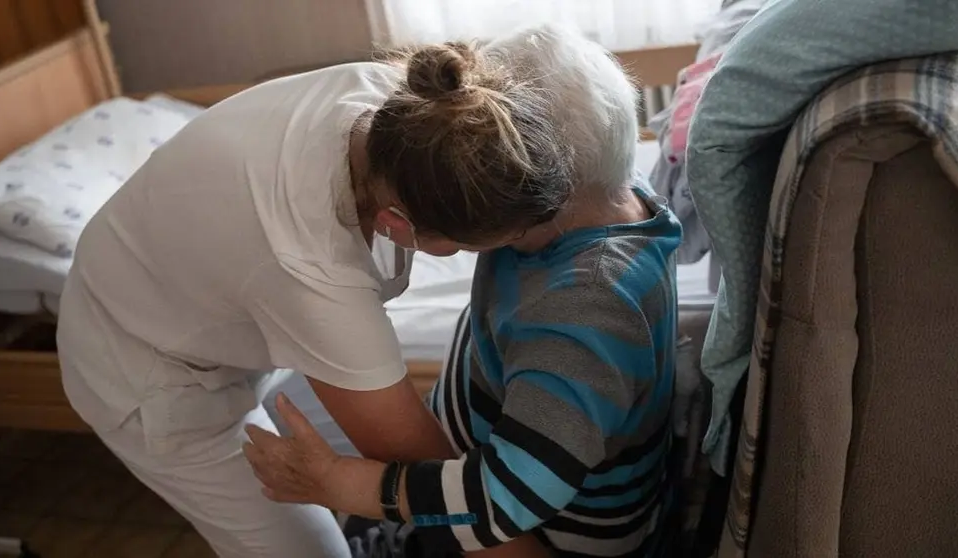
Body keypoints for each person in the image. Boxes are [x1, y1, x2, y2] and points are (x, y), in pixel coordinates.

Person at [54, 33, 568, 558]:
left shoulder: (426, 109)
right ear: (397, 224)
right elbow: (427, 477)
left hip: (206, 287)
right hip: (145, 366)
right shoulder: (310, 265)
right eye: (467, 248)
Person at [244, 26, 683, 558]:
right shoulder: (616, 197)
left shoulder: (586, 311)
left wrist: (343, 483)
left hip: (543, 534)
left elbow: (503, 502)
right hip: (491, 473)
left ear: (527, 182)